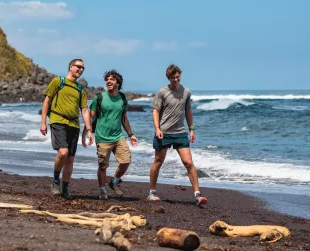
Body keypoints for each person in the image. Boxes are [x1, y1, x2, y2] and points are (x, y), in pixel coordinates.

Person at [148, 64, 208, 205]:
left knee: (188, 162)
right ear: (168, 78)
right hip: (164, 132)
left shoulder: (186, 92)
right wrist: (157, 128)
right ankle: (152, 192)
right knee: (158, 162)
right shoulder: (162, 92)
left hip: (180, 132)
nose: (175, 80)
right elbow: (155, 111)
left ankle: (197, 194)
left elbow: (188, 111)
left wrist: (191, 129)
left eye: (177, 77)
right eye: (173, 77)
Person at [40, 58, 94, 199]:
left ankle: (65, 187)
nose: (81, 70)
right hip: (58, 121)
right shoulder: (59, 81)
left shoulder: (80, 88)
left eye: (83, 68)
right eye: (78, 67)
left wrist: (89, 129)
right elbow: (47, 100)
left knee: (70, 158)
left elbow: (84, 110)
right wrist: (43, 122)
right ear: (71, 67)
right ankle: (56, 180)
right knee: (62, 153)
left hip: (74, 125)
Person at [86, 69, 138, 200]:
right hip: (102, 137)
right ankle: (103, 191)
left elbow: (124, 119)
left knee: (126, 160)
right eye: (107, 79)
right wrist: (88, 133)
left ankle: (114, 181)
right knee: (103, 166)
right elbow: (90, 117)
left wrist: (131, 134)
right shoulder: (99, 97)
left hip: (118, 136)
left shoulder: (122, 98)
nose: (108, 81)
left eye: (112, 79)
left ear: (118, 83)